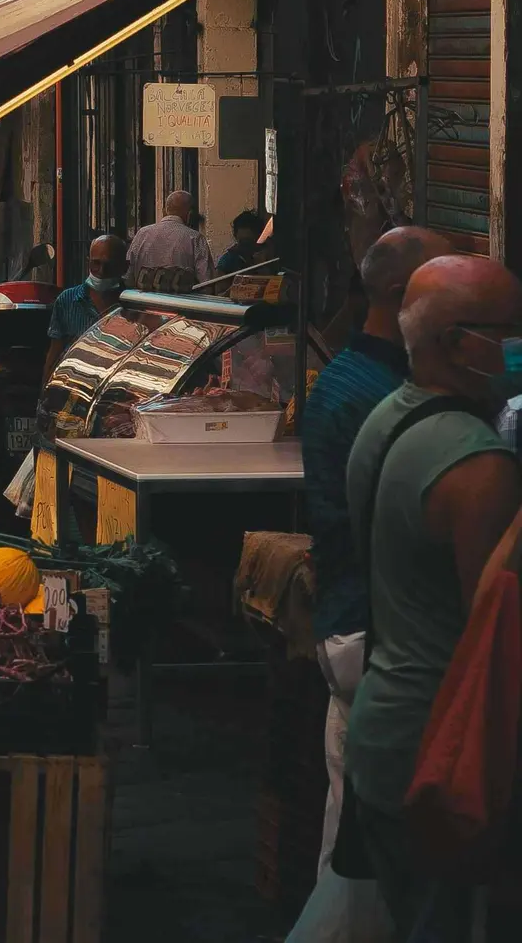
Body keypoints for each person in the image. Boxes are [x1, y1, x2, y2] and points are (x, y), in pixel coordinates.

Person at [345, 254, 522, 940]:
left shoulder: (389, 418)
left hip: (385, 726)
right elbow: (497, 626)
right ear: (453, 343)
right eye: (508, 330)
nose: (516, 345)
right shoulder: (478, 465)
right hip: (440, 749)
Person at [296, 227, 453, 890]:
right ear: (400, 294)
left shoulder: (361, 379)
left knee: (351, 849)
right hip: (373, 630)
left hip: (354, 624)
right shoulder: (377, 398)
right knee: (378, 856)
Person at [42, 235, 128, 381]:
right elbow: (54, 353)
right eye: (96, 264)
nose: (101, 271)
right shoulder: (67, 300)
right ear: (88, 262)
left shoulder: (132, 306)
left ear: (124, 267)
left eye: (109, 265)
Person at [126, 190, 215, 292]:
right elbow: (207, 283)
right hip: (179, 304)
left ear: (165, 211)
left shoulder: (141, 234)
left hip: (143, 302)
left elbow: (129, 276)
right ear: (190, 214)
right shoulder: (196, 238)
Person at [217, 209, 268, 275]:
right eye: (242, 242)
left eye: (249, 242)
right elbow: (221, 284)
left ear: (258, 236)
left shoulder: (266, 256)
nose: (245, 247)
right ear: (235, 236)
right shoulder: (227, 261)